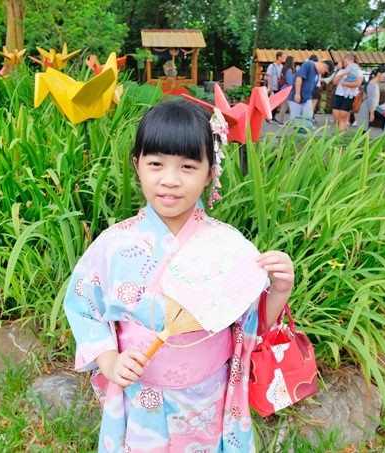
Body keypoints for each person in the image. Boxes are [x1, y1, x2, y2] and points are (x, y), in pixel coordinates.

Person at [63, 100, 295, 452]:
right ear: (137, 165)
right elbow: (84, 308)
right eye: (156, 164)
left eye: (188, 166)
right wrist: (110, 361)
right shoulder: (113, 246)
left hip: (207, 396)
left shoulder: (227, 245)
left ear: (209, 173)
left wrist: (279, 289)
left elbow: (252, 323)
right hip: (141, 391)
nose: (170, 180)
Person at [289, 56, 334, 134]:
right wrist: (297, 93)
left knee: (308, 118)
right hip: (296, 97)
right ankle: (295, 136)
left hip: (307, 98)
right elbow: (299, 78)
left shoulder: (317, 73)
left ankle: (303, 136)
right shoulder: (308, 65)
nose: (323, 73)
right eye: (325, 71)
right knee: (296, 120)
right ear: (323, 65)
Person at [331, 53, 363, 132]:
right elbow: (334, 82)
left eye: (346, 62)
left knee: (343, 115)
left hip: (350, 96)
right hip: (339, 94)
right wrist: (344, 73)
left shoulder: (358, 71)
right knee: (336, 114)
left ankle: (341, 133)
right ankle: (341, 130)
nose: (345, 64)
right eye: (344, 62)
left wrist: (345, 84)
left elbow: (358, 83)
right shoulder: (341, 71)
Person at [355, 65, 385, 132]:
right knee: (362, 129)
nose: (384, 76)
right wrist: (372, 114)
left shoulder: (374, 83)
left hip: (371, 108)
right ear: (379, 74)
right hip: (368, 109)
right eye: (384, 74)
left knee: (363, 128)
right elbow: (371, 100)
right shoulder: (372, 84)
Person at [266, 51, 286, 123]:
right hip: (272, 87)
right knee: (271, 103)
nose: (284, 58)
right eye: (283, 57)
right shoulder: (272, 66)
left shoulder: (282, 66)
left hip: (278, 87)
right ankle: (268, 118)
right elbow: (269, 76)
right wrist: (270, 86)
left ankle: (273, 117)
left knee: (276, 103)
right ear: (279, 57)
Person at [276, 55, 295, 123]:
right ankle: (281, 121)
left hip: (283, 88)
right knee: (285, 105)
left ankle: (281, 120)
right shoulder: (289, 70)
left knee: (284, 105)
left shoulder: (284, 68)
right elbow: (290, 82)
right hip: (288, 89)